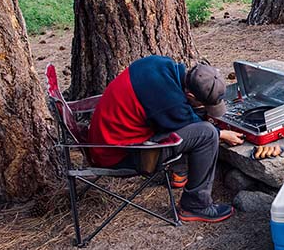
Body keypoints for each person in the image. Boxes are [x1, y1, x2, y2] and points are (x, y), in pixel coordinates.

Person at [87, 55, 245, 223]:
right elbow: (192, 126)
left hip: (106, 143)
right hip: (118, 156)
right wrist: (221, 133)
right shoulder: (170, 102)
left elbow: (179, 117)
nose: (206, 108)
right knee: (207, 134)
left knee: (191, 120)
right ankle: (196, 205)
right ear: (190, 94)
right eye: (204, 104)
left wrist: (201, 112)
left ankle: (179, 173)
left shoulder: (161, 64)